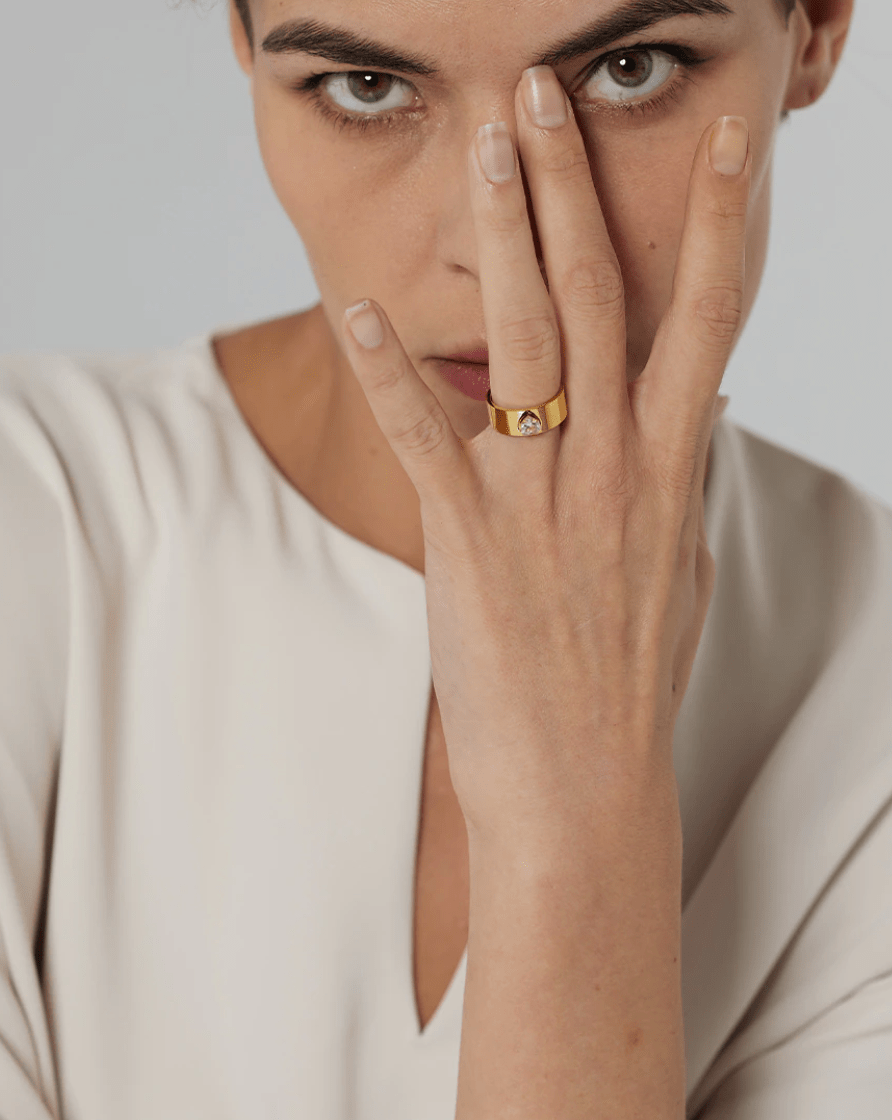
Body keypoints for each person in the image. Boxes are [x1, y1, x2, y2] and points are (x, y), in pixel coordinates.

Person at [1, 0, 889, 1116]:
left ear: (815, 26)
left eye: (629, 69)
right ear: (243, 37)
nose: (491, 241)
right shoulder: (38, 514)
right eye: (366, 88)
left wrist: (572, 828)